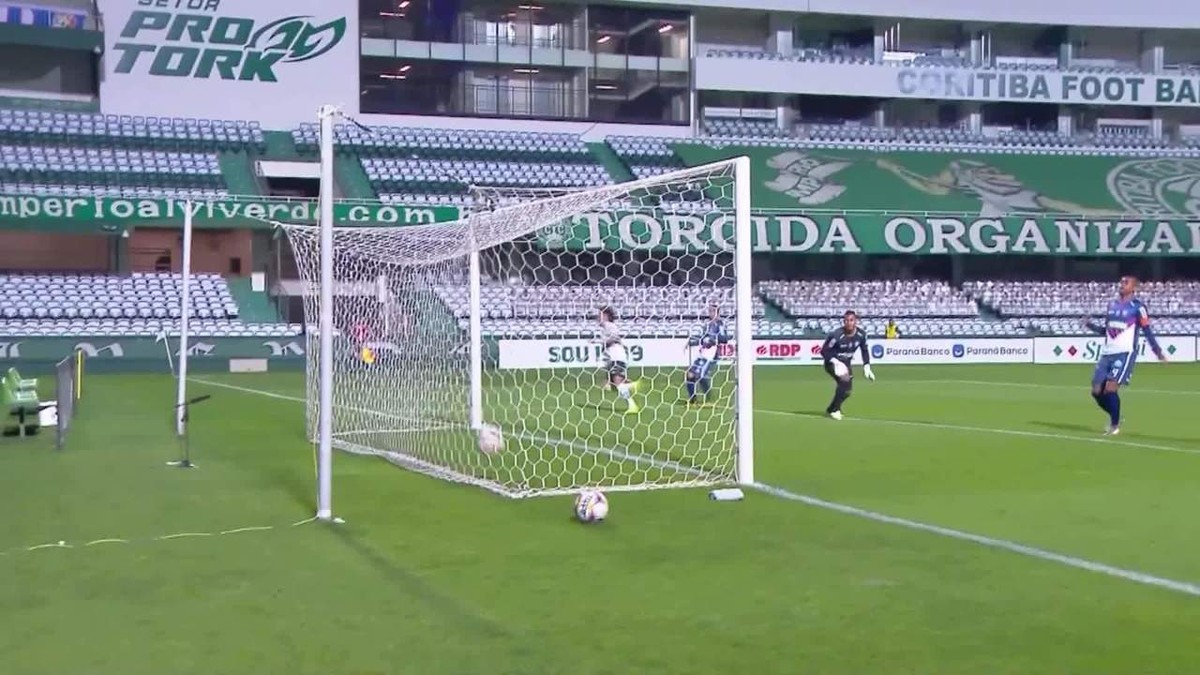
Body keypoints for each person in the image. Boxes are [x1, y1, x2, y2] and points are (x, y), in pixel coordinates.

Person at [1081, 275, 1167, 435]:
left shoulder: (1138, 307)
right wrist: (1090, 326)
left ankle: (1114, 425)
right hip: (1107, 353)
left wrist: (1157, 351)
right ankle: (1116, 416)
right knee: (1096, 390)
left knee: (1110, 388)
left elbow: (1147, 331)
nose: (1121, 284)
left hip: (1125, 353)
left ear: (1134, 288)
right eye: (1121, 282)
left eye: (1125, 282)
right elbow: (1107, 330)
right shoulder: (1111, 305)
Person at [820, 310, 875, 420]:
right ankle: (836, 410)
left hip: (846, 363)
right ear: (843, 322)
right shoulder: (836, 335)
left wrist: (867, 367)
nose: (849, 323)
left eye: (851, 320)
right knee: (844, 381)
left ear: (856, 321)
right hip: (832, 363)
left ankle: (831, 408)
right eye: (846, 320)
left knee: (847, 391)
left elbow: (864, 350)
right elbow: (824, 351)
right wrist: (835, 362)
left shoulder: (861, 335)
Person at [597, 306, 642, 414]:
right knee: (612, 386)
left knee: (617, 382)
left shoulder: (609, 325)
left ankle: (632, 403)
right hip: (613, 356)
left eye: (600, 315)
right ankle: (630, 386)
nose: (598, 317)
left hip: (616, 356)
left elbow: (614, 337)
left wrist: (602, 342)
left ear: (606, 316)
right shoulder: (606, 327)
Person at [685, 304, 728, 405]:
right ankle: (693, 399)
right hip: (703, 354)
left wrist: (713, 340)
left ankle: (710, 399)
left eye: (713, 311)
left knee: (700, 376)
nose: (710, 313)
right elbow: (702, 339)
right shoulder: (708, 325)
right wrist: (691, 343)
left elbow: (725, 339)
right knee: (690, 375)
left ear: (718, 313)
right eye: (710, 311)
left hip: (711, 355)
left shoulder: (719, 325)